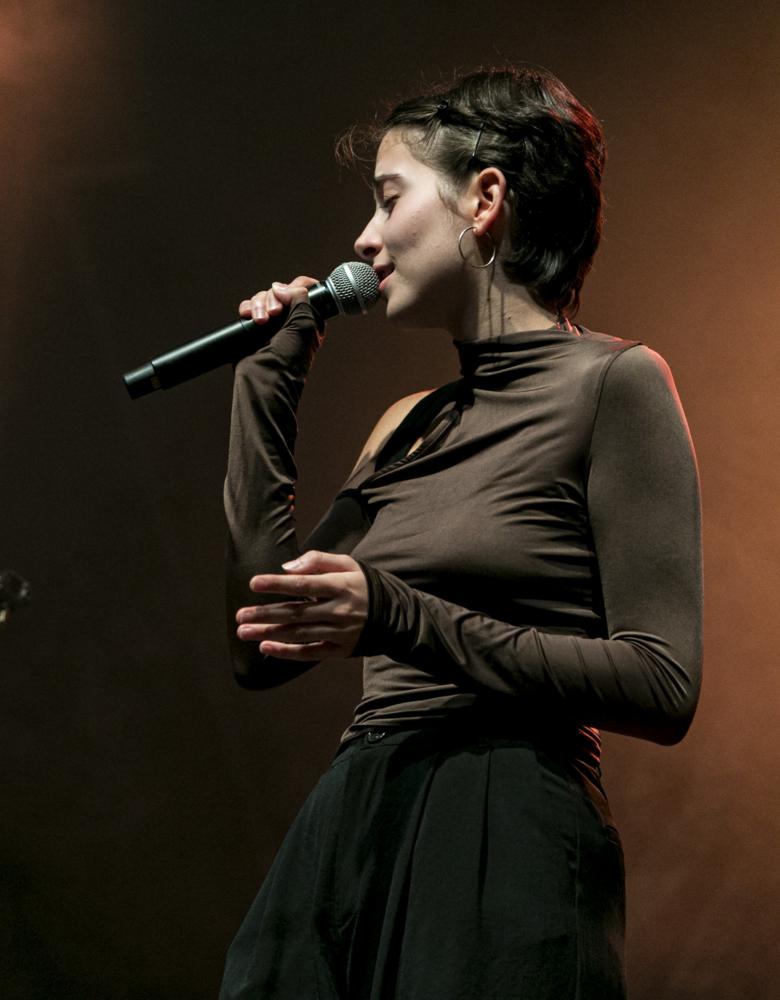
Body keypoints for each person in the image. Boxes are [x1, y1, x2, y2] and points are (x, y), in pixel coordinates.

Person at [219, 67, 700, 999]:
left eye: (388, 197)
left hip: (499, 821)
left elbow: (662, 682)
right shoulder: (405, 424)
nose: (363, 238)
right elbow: (261, 644)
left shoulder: (616, 384)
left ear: (485, 199)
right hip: (355, 822)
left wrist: (399, 617)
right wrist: (264, 393)